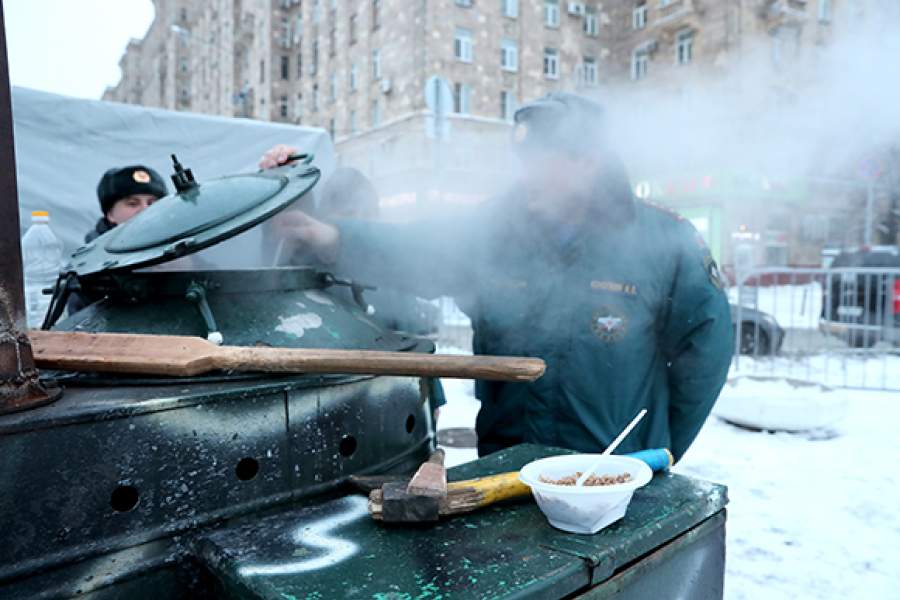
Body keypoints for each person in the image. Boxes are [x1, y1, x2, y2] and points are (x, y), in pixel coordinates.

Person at [260, 92, 734, 462]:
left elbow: (705, 358)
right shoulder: (497, 230)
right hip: (509, 474)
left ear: (587, 162)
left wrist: (656, 451)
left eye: (542, 161)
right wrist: (330, 237)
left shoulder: (662, 241)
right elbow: (417, 249)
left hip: (612, 483)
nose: (525, 175)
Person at [85, 165, 168, 242]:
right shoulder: (97, 256)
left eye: (152, 203)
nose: (145, 209)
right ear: (110, 214)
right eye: (133, 204)